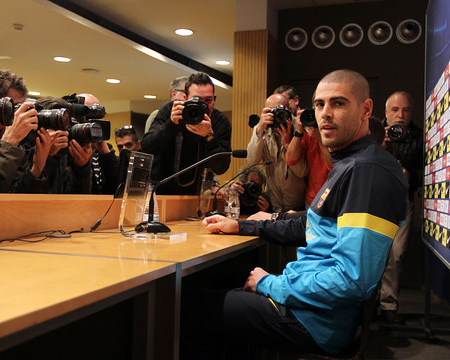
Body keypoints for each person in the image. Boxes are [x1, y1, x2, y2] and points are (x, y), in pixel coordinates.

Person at [181, 69, 408, 358]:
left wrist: (270, 284)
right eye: (320, 104)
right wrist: (241, 225)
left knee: (185, 307)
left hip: (315, 321)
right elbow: (310, 225)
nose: (325, 113)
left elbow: (351, 281)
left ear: (366, 109)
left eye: (338, 103)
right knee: (214, 284)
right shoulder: (352, 163)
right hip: (311, 304)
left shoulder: (367, 172)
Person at [141, 72, 232, 195]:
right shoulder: (170, 110)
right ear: (185, 98)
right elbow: (147, 148)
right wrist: (171, 124)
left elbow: (222, 167)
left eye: (208, 100)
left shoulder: (220, 121)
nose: (203, 105)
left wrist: (209, 136)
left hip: (196, 196)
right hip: (161, 191)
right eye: (197, 100)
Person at [378, 91, 423, 323]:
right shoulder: (374, 133)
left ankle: (388, 306)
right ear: (386, 113)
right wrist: (380, 146)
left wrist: (407, 175)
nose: (400, 115)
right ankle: (368, 304)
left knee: (396, 255)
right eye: (395, 110)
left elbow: (426, 175)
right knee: (369, 253)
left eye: (405, 110)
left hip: (402, 200)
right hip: (374, 203)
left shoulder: (419, 137)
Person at [10, 96, 92, 194]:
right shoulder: (18, 150)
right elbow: (17, 199)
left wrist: (81, 168)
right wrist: (44, 160)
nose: (62, 132)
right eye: (57, 124)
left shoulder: (63, 152)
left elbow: (75, 200)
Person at [246, 93, 306, 215]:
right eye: (271, 111)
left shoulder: (300, 128)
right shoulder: (263, 130)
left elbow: (302, 171)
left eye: (279, 110)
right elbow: (252, 161)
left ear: (289, 109)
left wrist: (288, 145)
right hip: (276, 207)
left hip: (300, 207)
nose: (276, 115)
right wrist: (259, 130)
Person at [78, 93, 118, 195]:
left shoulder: (105, 150)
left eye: (98, 116)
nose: (94, 121)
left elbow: (118, 189)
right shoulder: (67, 148)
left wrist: (106, 154)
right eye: (89, 115)